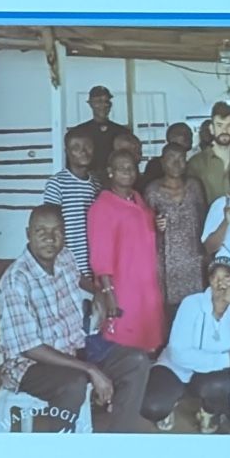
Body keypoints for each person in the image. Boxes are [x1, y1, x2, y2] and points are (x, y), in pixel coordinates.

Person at [0, 203, 152, 432]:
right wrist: (90, 369)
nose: (50, 238)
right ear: (28, 234)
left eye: (57, 231)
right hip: (31, 364)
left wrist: (98, 291)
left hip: (73, 347)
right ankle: (63, 453)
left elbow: (77, 277)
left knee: (136, 361)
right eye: (41, 231)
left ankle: (121, 439)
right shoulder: (15, 282)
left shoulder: (65, 257)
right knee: (74, 383)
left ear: (65, 234)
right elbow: (30, 348)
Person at [141, 259, 230, 434]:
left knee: (219, 385)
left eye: (227, 277)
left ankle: (208, 411)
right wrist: (226, 359)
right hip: (176, 367)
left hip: (211, 374)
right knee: (152, 407)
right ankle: (170, 405)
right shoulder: (191, 303)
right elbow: (178, 352)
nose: (221, 283)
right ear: (209, 280)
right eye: (215, 277)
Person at [88, 148, 165, 352]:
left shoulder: (138, 199)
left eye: (131, 168)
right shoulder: (102, 207)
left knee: (149, 337)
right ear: (110, 172)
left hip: (146, 284)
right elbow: (100, 255)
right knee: (125, 341)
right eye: (121, 168)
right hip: (123, 285)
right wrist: (109, 293)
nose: (127, 172)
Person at [144, 140, 208, 317]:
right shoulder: (153, 190)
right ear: (162, 162)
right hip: (167, 259)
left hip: (193, 256)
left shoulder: (194, 186)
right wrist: (155, 225)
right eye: (171, 158)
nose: (176, 163)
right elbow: (145, 226)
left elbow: (204, 218)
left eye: (181, 158)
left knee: (196, 307)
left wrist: (206, 253)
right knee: (170, 311)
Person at [41, 127, 102, 288]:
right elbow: (51, 227)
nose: (83, 152)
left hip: (95, 264)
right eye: (76, 148)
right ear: (67, 151)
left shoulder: (97, 183)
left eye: (87, 147)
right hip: (68, 267)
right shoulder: (57, 184)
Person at [186, 103, 230, 203]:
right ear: (212, 129)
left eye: (229, 125)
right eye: (219, 125)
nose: (224, 130)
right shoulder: (196, 163)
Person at [70, 84, 133, 173]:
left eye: (106, 101)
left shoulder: (122, 131)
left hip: (115, 180)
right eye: (98, 101)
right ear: (90, 104)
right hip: (88, 180)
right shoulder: (79, 132)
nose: (103, 105)